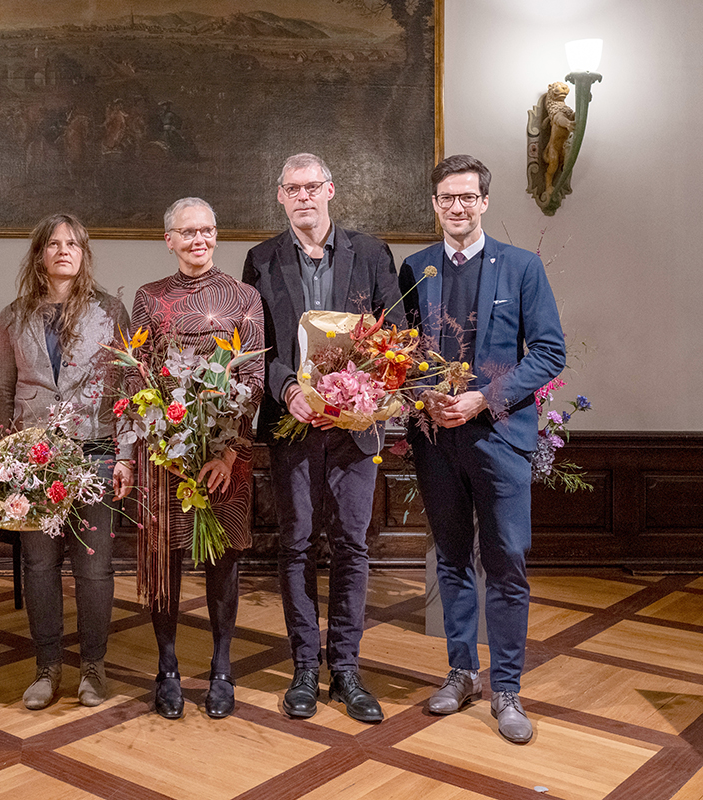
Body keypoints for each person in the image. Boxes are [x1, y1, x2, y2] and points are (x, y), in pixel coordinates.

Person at [399, 154, 565, 744]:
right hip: (436, 440)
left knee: (507, 565)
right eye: (447, 198)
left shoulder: (522, 267)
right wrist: (428, 401)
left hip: (499, 438)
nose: (457, 207)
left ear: (485, 202)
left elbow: (548, 353)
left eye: (467, 197)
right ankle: (461, 672)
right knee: (449, 560)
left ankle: (507, 690)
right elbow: (402, 356)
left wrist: (481, 400)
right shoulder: (415, 269)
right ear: (436, 204)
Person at [242, 153, 403, 724]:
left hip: (355, 429)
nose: (304, 196)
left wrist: (359, 392)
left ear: (331, 190)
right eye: (293, 188)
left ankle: (348, 670)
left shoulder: (373, 252)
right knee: (298, 545)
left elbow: (395, 338)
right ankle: (305, 667)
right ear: (280, 196)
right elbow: (256, 348)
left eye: (313, 186)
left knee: (353, 547)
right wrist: (289, 392)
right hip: (294, 425)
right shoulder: (261, 260)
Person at [119, 197, 264, 720]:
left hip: (227, 459)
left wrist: (226, 452)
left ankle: (222, 669)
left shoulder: (245, 296)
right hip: (165, 459)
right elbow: (139, 375)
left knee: (224, 564)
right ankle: (168, 669)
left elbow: (252, 379)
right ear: (170, 240)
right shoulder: (149, 298)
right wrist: (156, 443)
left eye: (207, 231)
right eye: (188, 232)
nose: (199, 240)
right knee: (166, 564)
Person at [0, 213, 130, 710]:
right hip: (33, 460)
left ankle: (93, 665)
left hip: (94, 452)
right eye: (53, 243)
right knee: (39, 565)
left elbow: (126, 387)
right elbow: (3, 391)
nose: (63, 250)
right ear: (39, 255)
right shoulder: (13, 315)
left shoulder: (109, 310)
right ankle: (46, 666)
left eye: (73, 243)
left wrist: (126, 455)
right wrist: (0, 465)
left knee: (94, 569)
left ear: (84, 253)